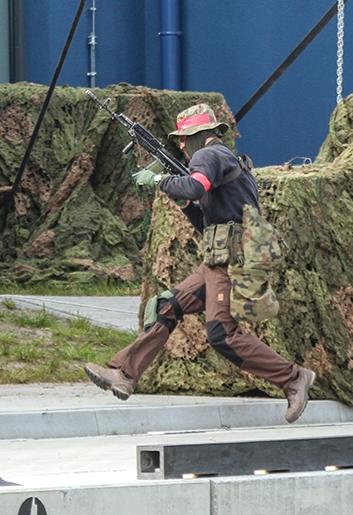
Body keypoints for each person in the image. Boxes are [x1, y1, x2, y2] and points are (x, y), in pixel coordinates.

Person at [85, 104, 315, 423]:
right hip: (218, 260)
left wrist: (159, 180)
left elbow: (194, 186)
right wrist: (184, 204)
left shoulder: (207, 156)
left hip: (229, 262)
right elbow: (209, 221)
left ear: (196, 136)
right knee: (166, 307)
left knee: (221, 333)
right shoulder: (224, 159)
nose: (181, 146)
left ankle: (293, 378)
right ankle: (123, 373)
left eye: (183, 139)